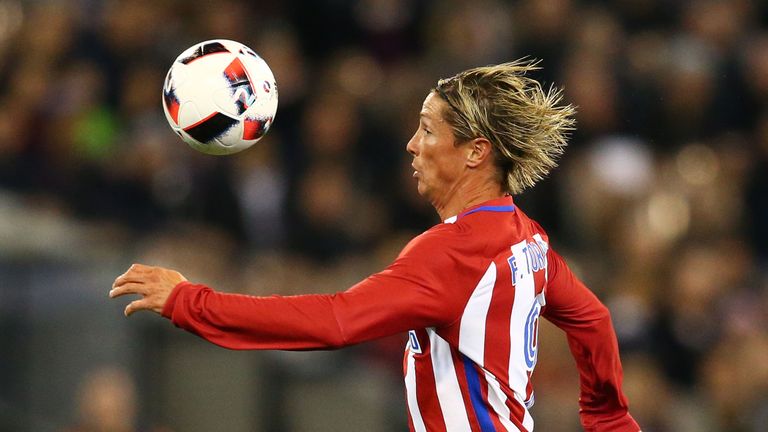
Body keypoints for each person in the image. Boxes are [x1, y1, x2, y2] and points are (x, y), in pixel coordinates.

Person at [110, 60, 641, 432]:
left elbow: (336, 321)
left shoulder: (452, 253)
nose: (412, 144)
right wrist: (609, 418)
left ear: (476, 152)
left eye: (428, 131)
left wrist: (187, 301)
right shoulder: (529, 239)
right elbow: (592, 319)